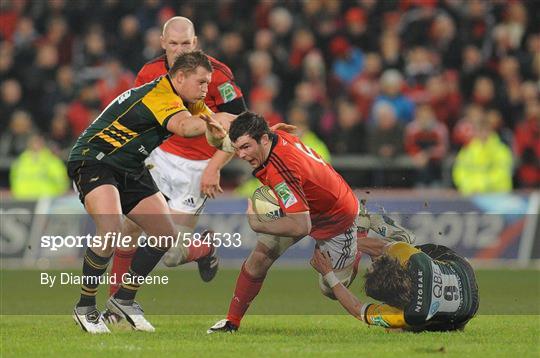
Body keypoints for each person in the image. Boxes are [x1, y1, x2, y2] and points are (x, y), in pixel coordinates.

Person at [68, 50, 232, 334]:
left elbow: (214, 132)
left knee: (166, 236)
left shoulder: (191, 101)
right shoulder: (160, 94)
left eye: (208, 83)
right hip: (95, 158)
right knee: (111, 230)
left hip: (130, 165)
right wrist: (222, 119)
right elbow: (184, 127)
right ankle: (85, 307)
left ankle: (123, 299)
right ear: (180, 77)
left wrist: (258, 131)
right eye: (202, 82)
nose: (206, 89)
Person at [205, 111, 414, 333]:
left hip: (337, 219)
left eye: (246, 147)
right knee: (259, 257)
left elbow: (300, 226)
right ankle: (231, 322)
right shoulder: (270, 137)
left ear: (263, 140)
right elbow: (238, 140)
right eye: (238, 149)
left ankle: (359, 237)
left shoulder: (281, 170)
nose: (241, 155)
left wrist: (258, 224)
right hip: (307, 206)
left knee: (331, 289)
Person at [104, 17, 247, 321]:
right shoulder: (149, 73)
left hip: (198, 169)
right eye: (174, 44)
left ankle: (203, 249)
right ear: (162, 43)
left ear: (195, 43)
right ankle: (116, 306)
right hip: (160, 157)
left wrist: (215, 167)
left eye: (186, 43)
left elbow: (241, 129)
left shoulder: (218, 76)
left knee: (171, 253)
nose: (180, 50)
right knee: (128, 227)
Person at [310, 238, 479, 332]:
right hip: (464, 273)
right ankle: (400, 238)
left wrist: (328, 273)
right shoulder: (415, 259)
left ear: (388, 301)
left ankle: (402, 236)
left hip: (468, 310)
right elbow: (381, 246)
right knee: (402, 247)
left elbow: (357, 308)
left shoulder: (406, 315)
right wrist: (346, 244)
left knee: (397, 328)